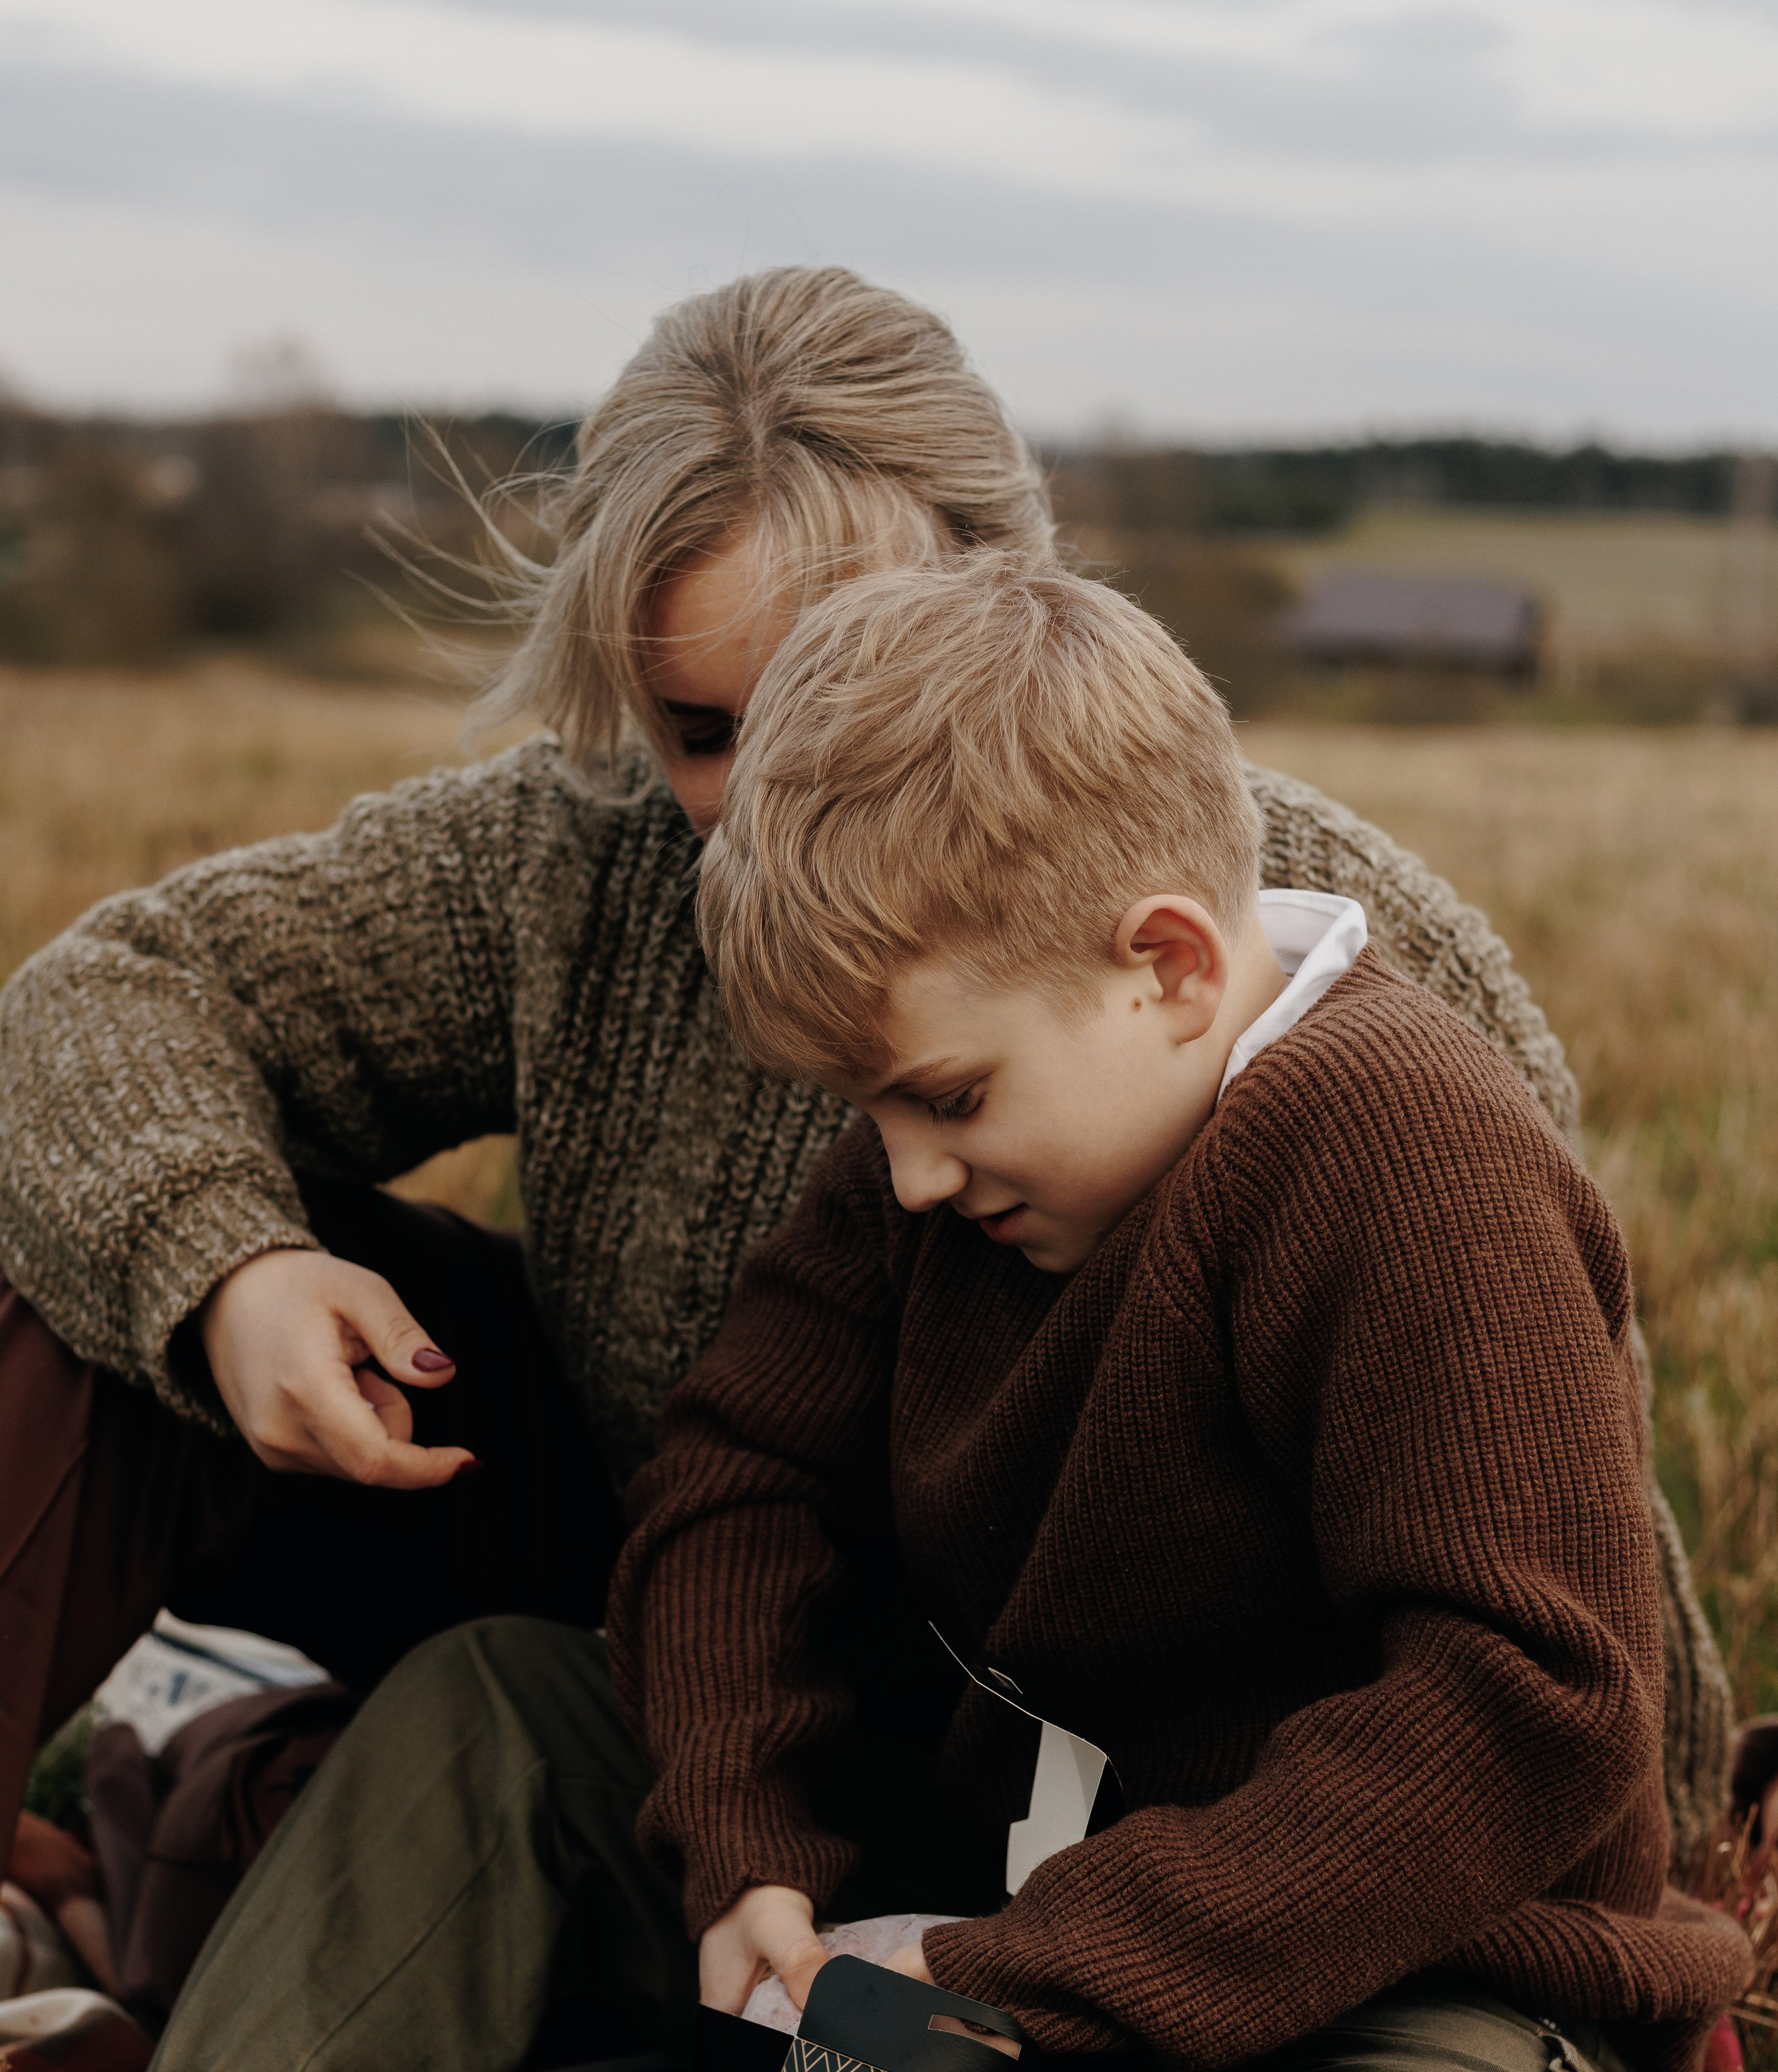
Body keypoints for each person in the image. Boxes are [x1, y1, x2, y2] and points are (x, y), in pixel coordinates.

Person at [0, 558, 1750, 2072]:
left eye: (945, 1101)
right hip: (986, 1933)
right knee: (500, 1694)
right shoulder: (945, 1163)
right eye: (878, 1115)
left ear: (1171, 965)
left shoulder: (1408, 1156)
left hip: (1390, 1991)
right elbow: (739, 1476)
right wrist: (753, 1844)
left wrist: (1021, 1973)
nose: (911, 1174)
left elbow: (1519, 1714)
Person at [0, 269, 1727, 1888]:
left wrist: (1655, 1855)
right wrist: (222, 1271)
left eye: (847, 673)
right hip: (659, 1593)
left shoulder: (1318, 962)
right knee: (65, 1264)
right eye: (701, 728)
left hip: (1102, 1768)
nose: (770, 797)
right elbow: (109, 1000)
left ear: (1012, 601)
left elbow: (1539, 1542)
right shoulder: (570, 859)